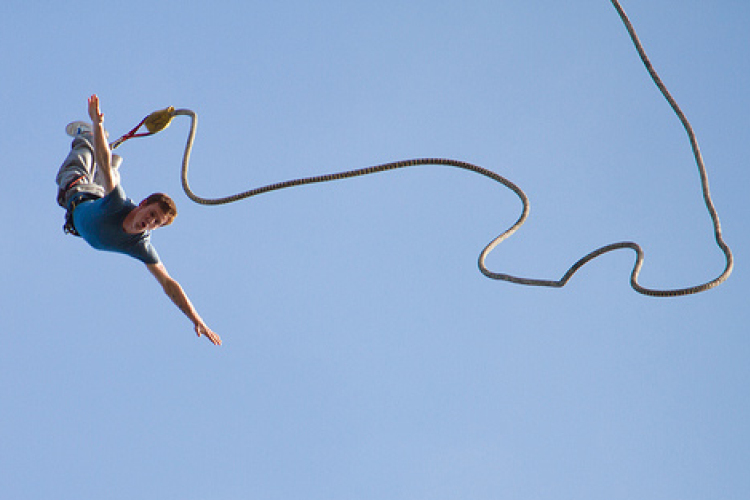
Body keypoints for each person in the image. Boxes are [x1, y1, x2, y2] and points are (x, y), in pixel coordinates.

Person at [56, 95, 221, 346]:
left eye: (156, 223)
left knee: (106, 172)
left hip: (91, 202)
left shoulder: (140, 245)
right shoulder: (118, 203)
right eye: (151, 215)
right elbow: (101, 159)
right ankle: (87, 134)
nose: (150, 223)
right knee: (91, 159)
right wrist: (97, 124)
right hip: (77, 189)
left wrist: (196, 318)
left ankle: (112, 157)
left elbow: (168, 283)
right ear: (142, 204)